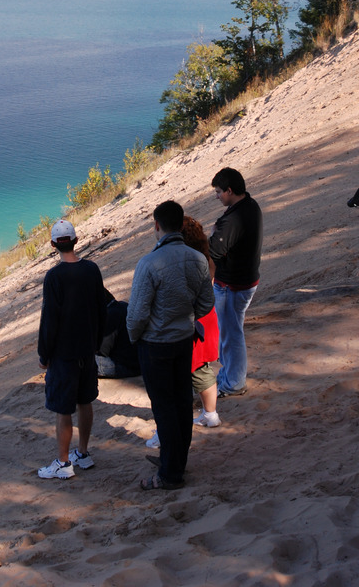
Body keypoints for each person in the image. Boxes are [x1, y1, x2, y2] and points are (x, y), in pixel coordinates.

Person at [127, 200, 214, 491]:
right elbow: (205, 303)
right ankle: (174, 461)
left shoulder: (149, 263)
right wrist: (184, 318)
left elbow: (137, 314)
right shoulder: (198, 259)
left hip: (156, 344)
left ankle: (169, 474)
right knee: (180, 403)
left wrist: (134, 336)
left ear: (157, 226)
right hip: (183, 340)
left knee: (164, 407)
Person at [37, 219, 106, 479]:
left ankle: (63, 463)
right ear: (76, 241)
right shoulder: (92, 269)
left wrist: (44, 354)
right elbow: (102, 308)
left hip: (64, 354)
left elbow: (49, 319)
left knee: (63, 408)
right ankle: (83, 453)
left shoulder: (54, 277)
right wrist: (96, 343)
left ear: (54, 244)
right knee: (85, 401)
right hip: (87, 350)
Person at [144, 215, 220, 449]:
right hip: (206, 318)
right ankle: (210, 414)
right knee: (202, 368)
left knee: (174, 381)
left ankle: (166, 432)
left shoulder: (180, 263)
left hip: (186, 322)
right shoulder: (206, 259)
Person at [209, 167, 262, 397]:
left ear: (230, 191)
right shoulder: (250, 205)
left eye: (219, 191)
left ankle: (234, 382)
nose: (217, 196)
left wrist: (213, 232)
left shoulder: (232, 219)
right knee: (230, 332)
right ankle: (229, 376)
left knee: (231, 334)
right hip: (244, 280)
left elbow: (213, 250)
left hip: (233, 284)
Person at [96, 288, 141, 379]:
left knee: (79, 359)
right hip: (138, 361)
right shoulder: (123, 306)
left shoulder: (109, 317)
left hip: (123, 366)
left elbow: (102, 351)